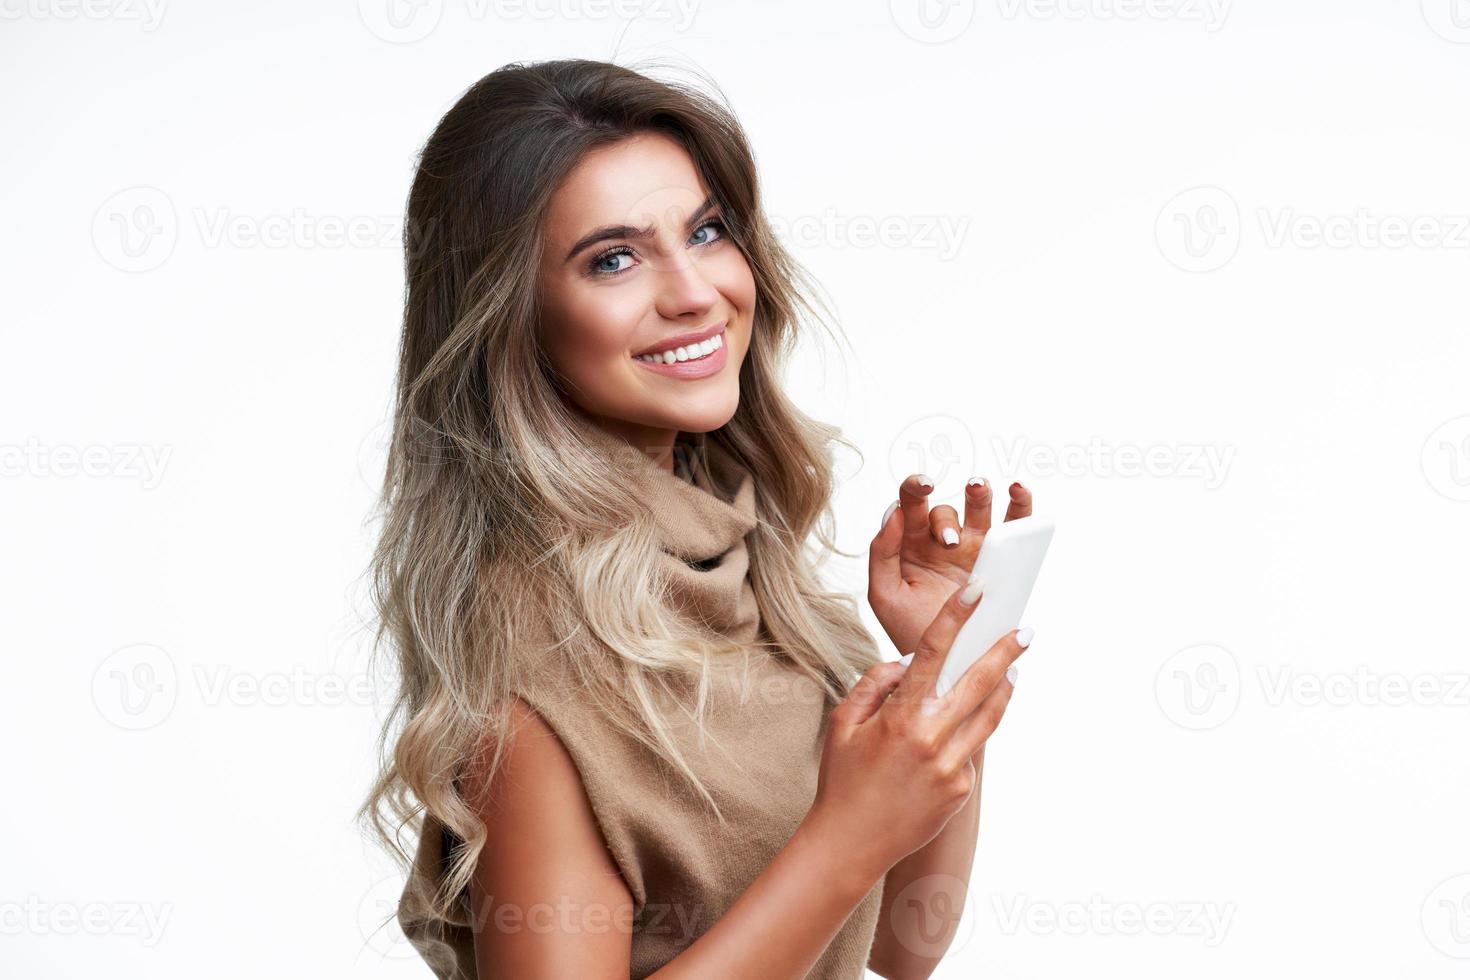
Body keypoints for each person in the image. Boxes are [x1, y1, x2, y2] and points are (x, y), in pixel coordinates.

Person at [357, 57, 1037, 979]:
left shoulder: (742, 564)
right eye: (613, 258)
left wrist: (944, 673)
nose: (694, 292)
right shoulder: (535, 666)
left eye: (708, 230)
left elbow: (905, 945)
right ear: (512, 319)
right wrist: (842, 839)